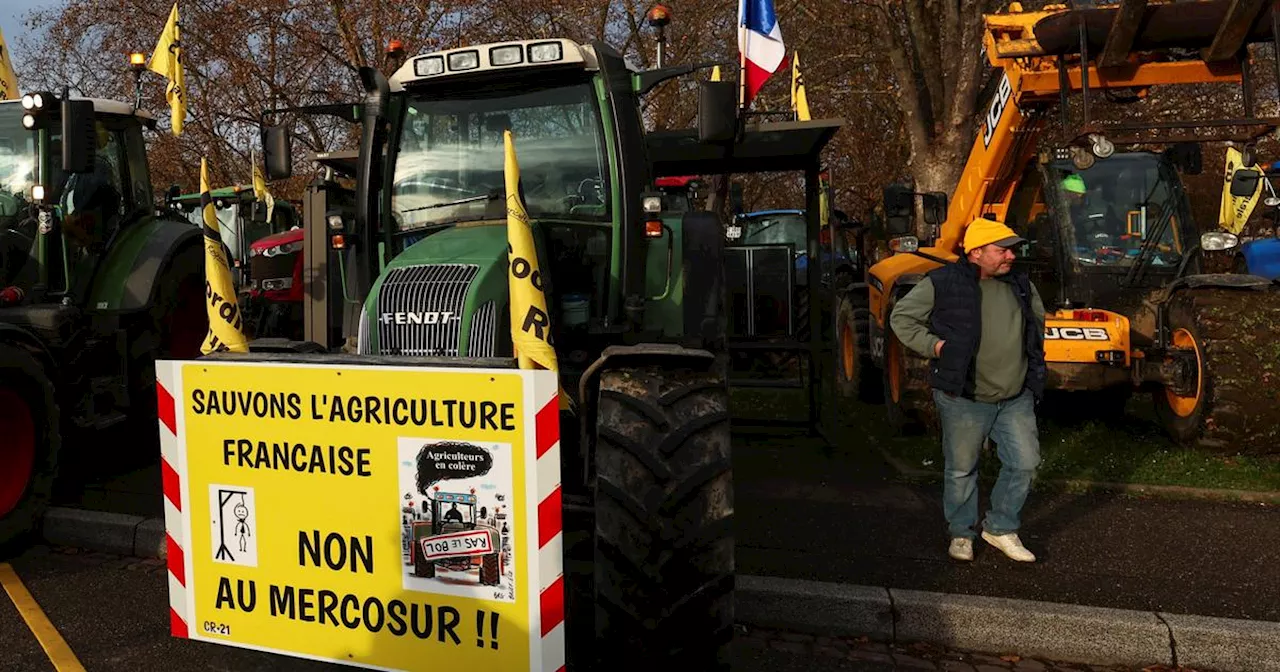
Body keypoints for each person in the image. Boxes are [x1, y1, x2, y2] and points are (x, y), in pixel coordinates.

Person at [889, 217, 1046, 563]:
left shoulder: (1021, 284)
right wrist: (936, 347)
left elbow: (1037, 324)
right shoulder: (943, 282)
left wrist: (1033, 369)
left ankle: (1001, 528)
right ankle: (962, 533)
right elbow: (902, 318)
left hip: (1015, 396)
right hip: (964, 396)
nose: (1011, 257)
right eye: (1002, 250)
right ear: (976, 252)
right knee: (961, 469)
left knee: (1025, 463)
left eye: (1012, 250)